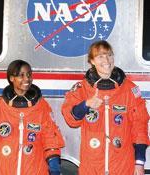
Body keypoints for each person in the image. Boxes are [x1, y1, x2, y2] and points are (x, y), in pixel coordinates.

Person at [61, 40, 150, 175]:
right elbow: (70, 119)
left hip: (122, 164)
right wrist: (86, 105)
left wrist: (139, 162)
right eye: (100, 56)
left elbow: (140, 126)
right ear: (92, 61)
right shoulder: (82, 88)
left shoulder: (130, 89)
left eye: (109, 55)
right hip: (92, 164)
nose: (106, 60)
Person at [0, 59, 65, 175]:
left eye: (29, 75)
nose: (27, 79)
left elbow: (51, 140)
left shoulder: (41, 107)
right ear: (12, 78)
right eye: (21, 75)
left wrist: (55, 169)